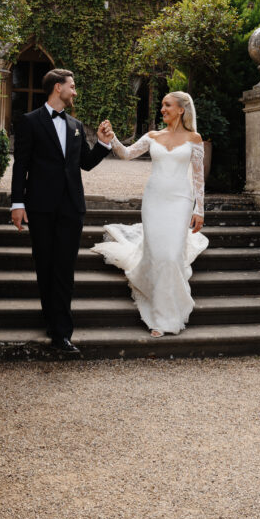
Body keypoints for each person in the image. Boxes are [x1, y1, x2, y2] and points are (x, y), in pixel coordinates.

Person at [10, 68, 112, 355]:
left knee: (65, 268)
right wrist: (18, 203)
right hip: (40, 206)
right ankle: (51, 318)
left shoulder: (75, 125)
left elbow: (86, 163)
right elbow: (21, 164)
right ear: (58, 87)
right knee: (45, 265)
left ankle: (62, 334)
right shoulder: (29, 122)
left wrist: (104, 143)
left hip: (71, 207)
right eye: (72, 86)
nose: (75, 92)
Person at [93, 92, 208, 337]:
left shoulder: (194, 138)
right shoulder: (152, 136)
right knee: (157, 254)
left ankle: (170, 313)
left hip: (180, 201)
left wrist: (200, 210)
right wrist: (111, 138)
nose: (162, 109)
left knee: (170, 255)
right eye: (162, 105)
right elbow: (126, 154)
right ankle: (161, 317)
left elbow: (198, 177)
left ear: (181, 109)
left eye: (167, 105)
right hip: (154, 200)